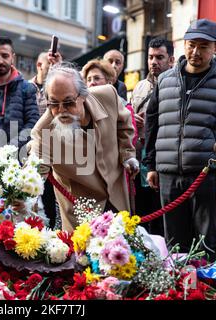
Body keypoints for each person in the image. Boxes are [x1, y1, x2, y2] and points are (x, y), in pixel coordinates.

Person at [144, 19, 216, 258]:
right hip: (168, 173)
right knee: (175, 243)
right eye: (191, 45)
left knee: (209, 241)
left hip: (207, 175)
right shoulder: (165, 80)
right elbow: (153, 122)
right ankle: (178, 289)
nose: (196, 52)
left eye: (203, 46)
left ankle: (209, 291)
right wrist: (151, 164)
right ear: (183, 45)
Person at [29, 63, 138, 232]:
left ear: (83, 95)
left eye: (68, 102)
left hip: (118, 200)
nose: (61, 110)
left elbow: (124, 124)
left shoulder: (108, 95)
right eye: (54, 104)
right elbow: (34, 172)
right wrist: (25, 195)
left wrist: (128, 154)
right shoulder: (43, 131)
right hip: (81, 217)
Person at [131, 37, 175, 235]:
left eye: (159, 57)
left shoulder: (175, 86)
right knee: (140, 211)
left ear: (171, 60)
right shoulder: (139, 87)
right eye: (150, 57)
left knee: (161, 213)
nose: (154, 62)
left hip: (164, 155)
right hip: (140, 153)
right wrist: (134, 121)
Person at [29, 51, 59, 228]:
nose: (53, 69)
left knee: (52, 201)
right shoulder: (26, 88)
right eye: (50, 66)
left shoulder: (58, 88)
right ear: (40, 66)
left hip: (56, 151)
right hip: (34, 149)